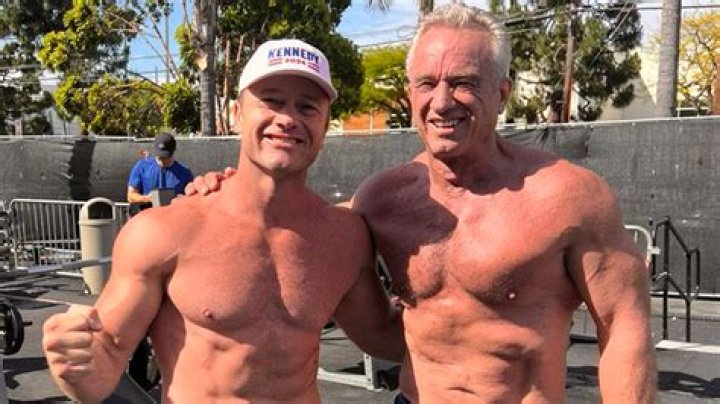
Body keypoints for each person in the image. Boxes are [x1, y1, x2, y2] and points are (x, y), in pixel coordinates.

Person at [187, 4, 657, 403]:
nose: (443, 101)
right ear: (411, 93)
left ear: (502, 93)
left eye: (464, 82)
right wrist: (224, 189)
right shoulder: (382, 200)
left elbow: (624, 329)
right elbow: (296, 229)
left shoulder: (569, 197)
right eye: (427, 83)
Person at [42, 38, 403, 403]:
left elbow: (383, 337)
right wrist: (73, 360)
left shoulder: (344, 237)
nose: (288, 119)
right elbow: (103, 365)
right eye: (271, 100)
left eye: (307, 107)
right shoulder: (162, 232)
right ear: (235, 114)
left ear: (325, 126)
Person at [126, 133, 194, 216]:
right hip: (148, 218)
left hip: (172, 218)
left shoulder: (185, 173)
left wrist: (184, 200)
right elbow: (130, 196)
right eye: (160, 156)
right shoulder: (142, 167)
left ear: (174, 151)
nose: (162, 160)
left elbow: (192, 199)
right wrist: (148, 198)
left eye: (166, 156)